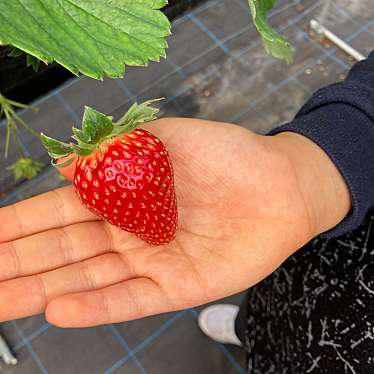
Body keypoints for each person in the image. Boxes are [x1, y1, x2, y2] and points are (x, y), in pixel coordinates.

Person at [0, 50, 372, 373]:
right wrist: (314, 169)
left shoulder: (110, 170)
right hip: (328, 261)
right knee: (272, 314)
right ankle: (249, 330)